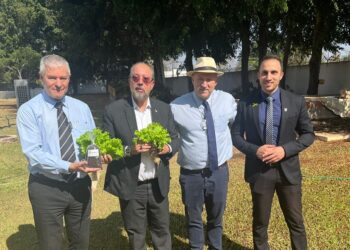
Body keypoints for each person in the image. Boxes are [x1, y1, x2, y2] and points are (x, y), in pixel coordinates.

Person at [16, 54, 100, 250]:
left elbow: (92, 142)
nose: (58, 83)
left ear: (69, 79)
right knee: (51, 245)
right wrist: (67, 165)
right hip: (47, 186)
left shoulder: (82, 108)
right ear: (41, 78)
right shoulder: (29, 110)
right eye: (52, 78)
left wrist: (98, 156)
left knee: (80, 243)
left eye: (63, 78)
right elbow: (32, 152)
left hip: (80, 185)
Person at [231, 55, 315, 250]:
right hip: (260, 172)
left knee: (296, 223)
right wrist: (255, 150)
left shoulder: (295, 101)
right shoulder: (245, 103)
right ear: (258, 76)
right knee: (260, 224)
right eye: (264, 73)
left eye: (273, 72)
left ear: (281, 75)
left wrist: (284, 150)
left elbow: (308, 134)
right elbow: (235, 135)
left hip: (288, 172)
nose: (269, 77)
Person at [102, 62, 180, 250]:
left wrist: (167, 148)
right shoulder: (113, 111)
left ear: (152, 84)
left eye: (145, 79)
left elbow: (176, 138)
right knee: (136, 234)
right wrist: (130, 150)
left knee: (162, 231)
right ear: (129, 82)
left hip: (157, 183)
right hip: (131, 184)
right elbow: (108, 147)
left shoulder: (164, 109)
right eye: (135, 78)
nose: (140, 83)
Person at [170, 57, 237, 249]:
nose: (204, 84)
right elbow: (169, 136)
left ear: (216, 80)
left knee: (216, 218)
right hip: (191, 175)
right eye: (200, 79)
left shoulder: (228, 101)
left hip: (219, 171)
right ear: (192, 80)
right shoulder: (176, 107)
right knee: (193, 218)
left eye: (209, 79)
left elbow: (233, 125)